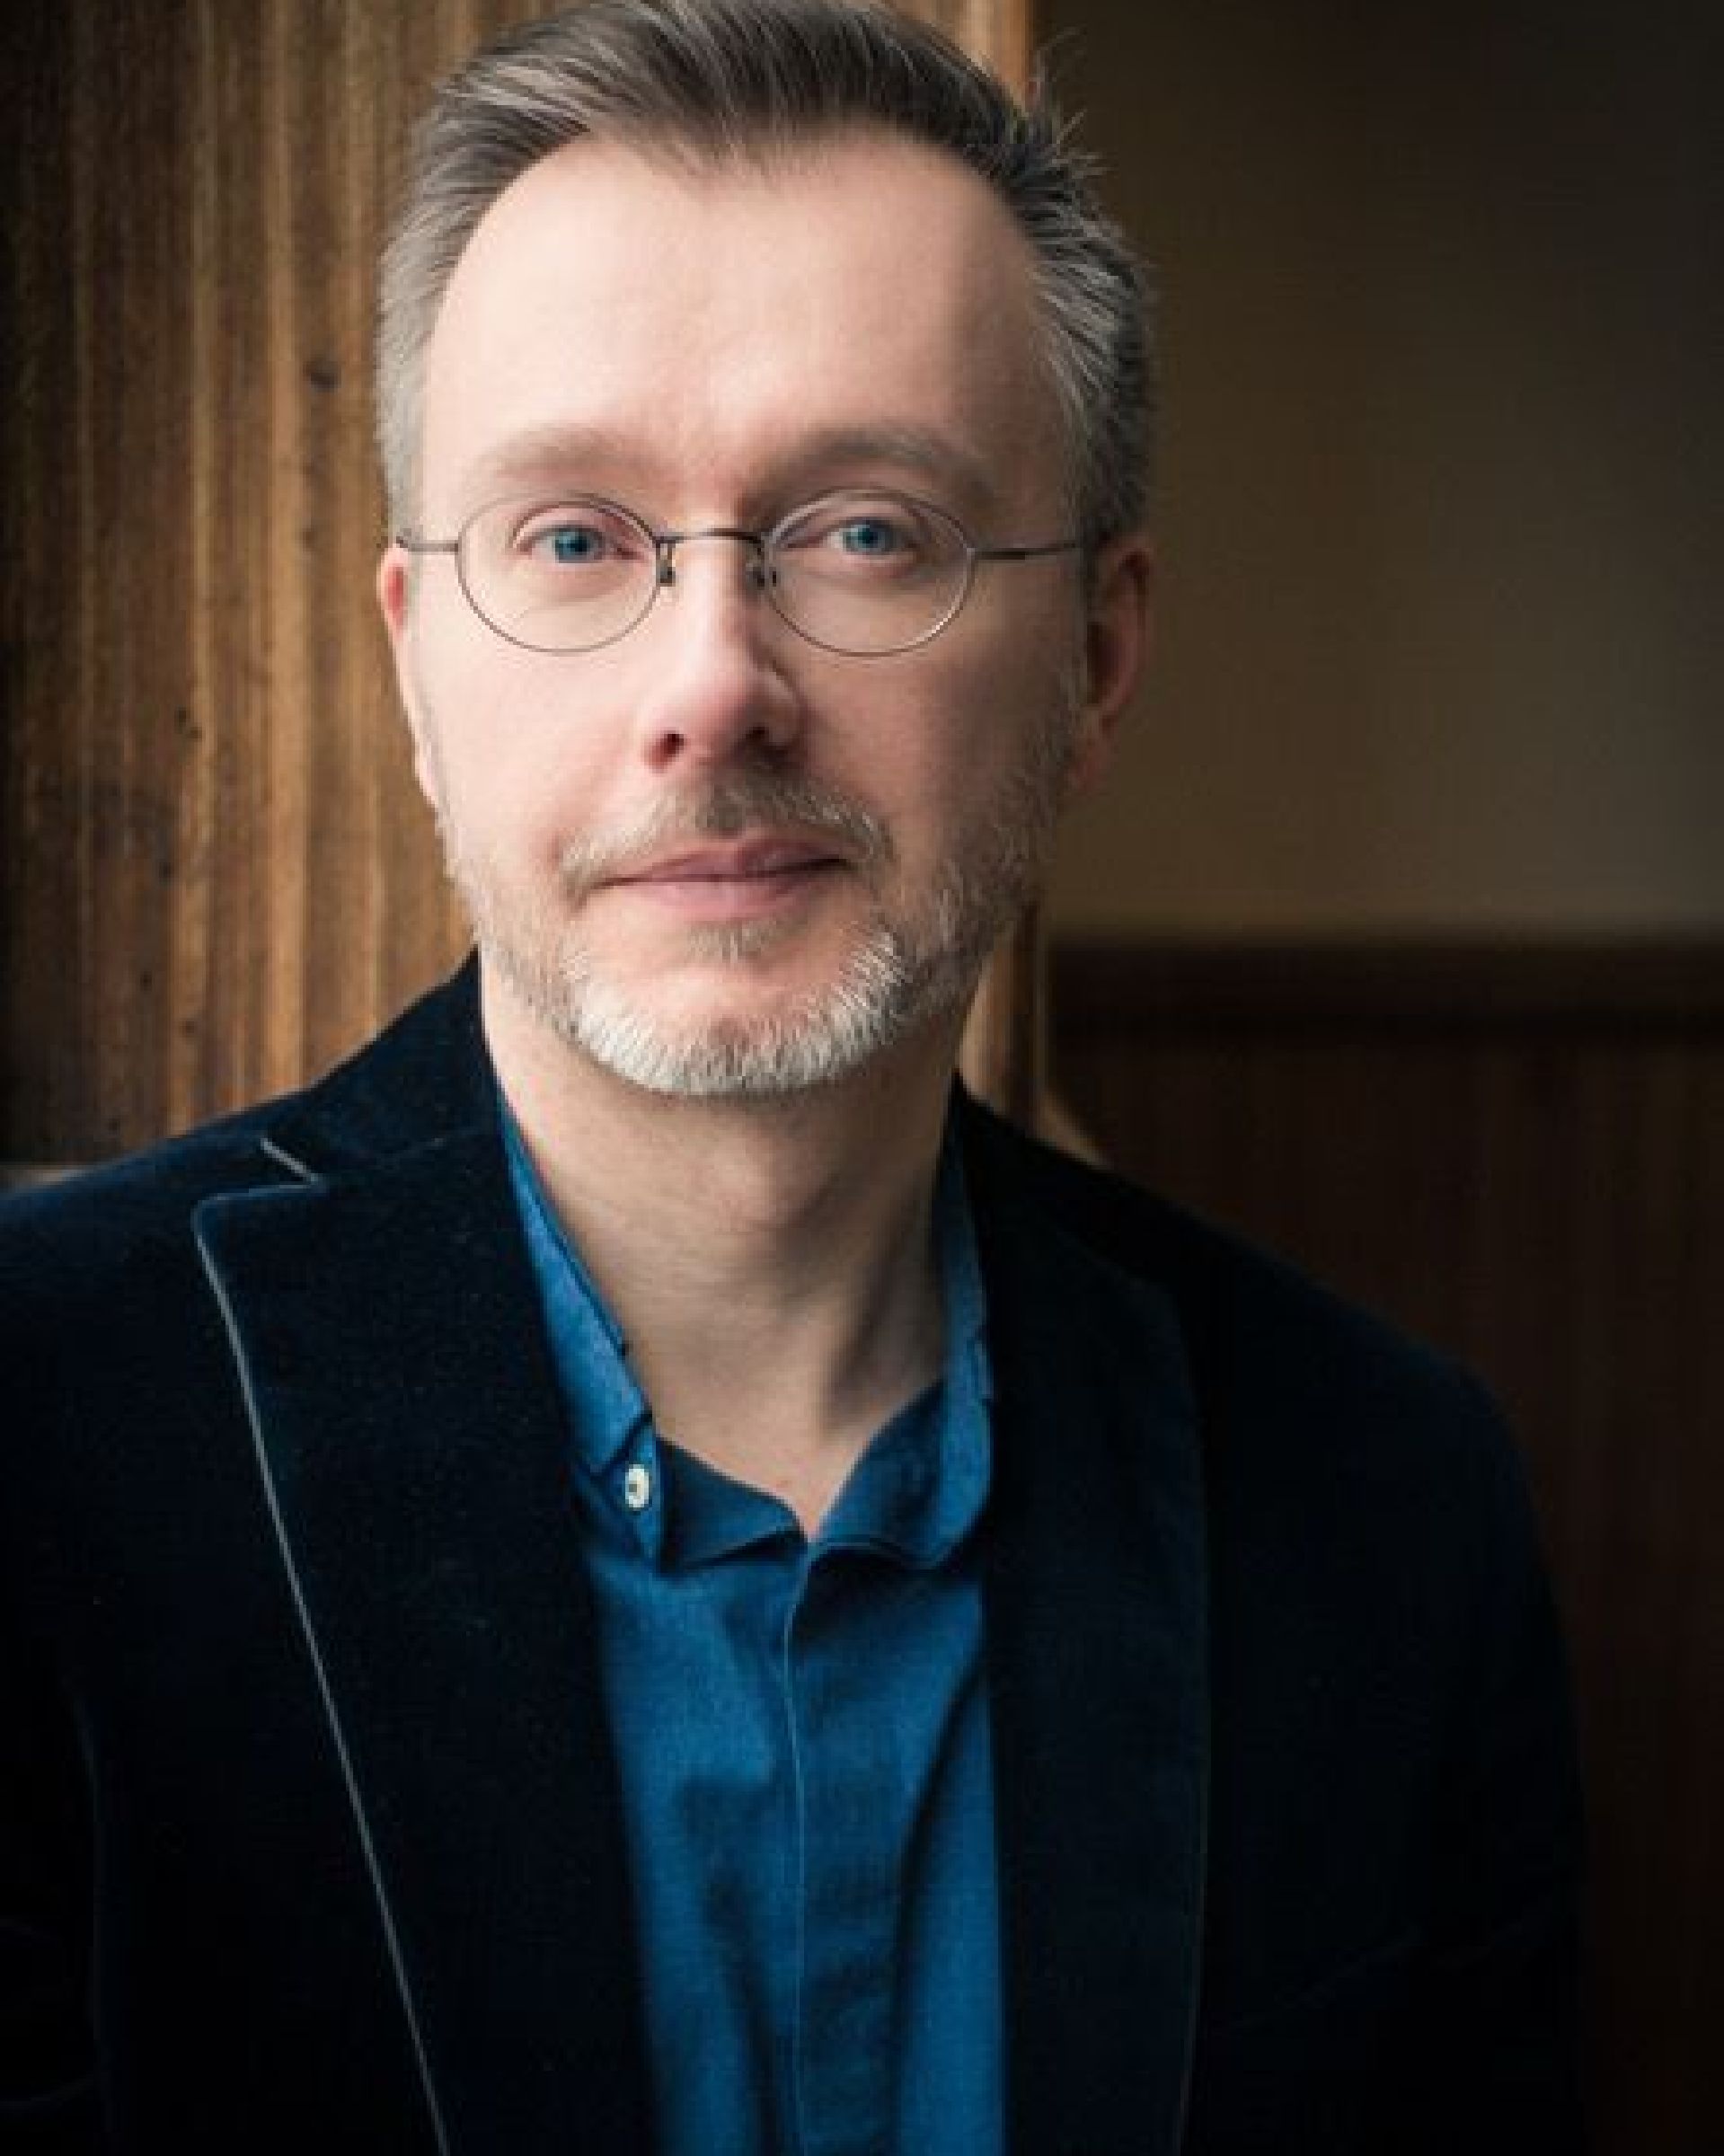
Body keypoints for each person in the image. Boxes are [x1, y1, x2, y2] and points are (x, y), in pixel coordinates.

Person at [0, 2, 1584, 2150]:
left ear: (1097, 658)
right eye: (576, 538)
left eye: (865, 533)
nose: (714, 685)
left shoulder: (1390, 1508)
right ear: (416, 668)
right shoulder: (35, 1433)